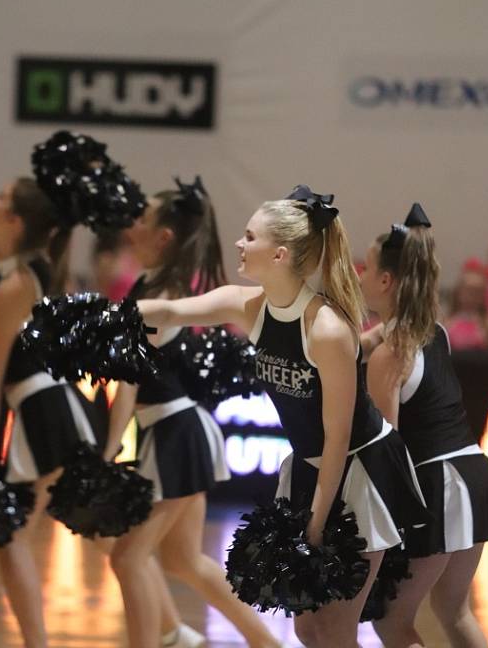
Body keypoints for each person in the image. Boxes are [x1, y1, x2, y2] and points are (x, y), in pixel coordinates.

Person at [134, 185, 429, 648]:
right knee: (307, 627)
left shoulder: (327, 328)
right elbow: (170, 310)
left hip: (361, 471)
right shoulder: (251, 306)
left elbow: (339, 436)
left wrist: (314, 524)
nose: (240, 244)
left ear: (280, 255)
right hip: (312, 467)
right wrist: (103, 315)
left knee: (335, 628)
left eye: (250, 237)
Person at [104, 177, 289, 648]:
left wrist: (105, 455)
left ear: (164, 236)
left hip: (177, 433)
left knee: (127, 558)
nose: (131, 229)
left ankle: (161, 640)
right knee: (182, 561)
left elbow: (126, 386)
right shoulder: (155, 285)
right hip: (175, 431)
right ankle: (263, 642)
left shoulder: (159, 295)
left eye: (141, 220)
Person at [359, 203, 488, 648]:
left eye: (367, 268)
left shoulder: (391, 353)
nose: (359, 276)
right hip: (478, 477)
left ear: (386, 280)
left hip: (440, 486)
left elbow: (384, 446)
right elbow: (377, 339)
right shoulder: (436, 330)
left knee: (390, 621)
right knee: (453, 610)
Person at [0, 177, 100, 648]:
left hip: (39, 415)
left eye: (0, 198)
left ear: (16, 220)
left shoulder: (18, 283)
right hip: (52, 407)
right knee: (10, 538)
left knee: (9, 537)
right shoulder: (32, 265)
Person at [445, 265, 488, 350]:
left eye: (477, 292)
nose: (472, 295)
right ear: (458, 292)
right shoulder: (447, 322)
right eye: (468, 290)